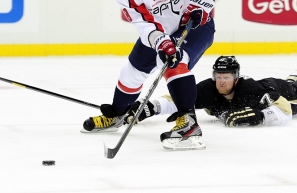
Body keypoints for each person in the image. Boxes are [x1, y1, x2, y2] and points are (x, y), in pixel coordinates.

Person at [82, 0, 233, 151]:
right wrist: (161, 41)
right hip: (158, 34)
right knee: (131, 71)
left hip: (195, 27)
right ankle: (118, 113)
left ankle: (189, 125)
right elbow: (145, 26)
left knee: (173, 60)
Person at [124, 56, 297, 127]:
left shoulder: (249, 89)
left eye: (226, 77)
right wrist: (151, 107)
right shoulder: (207, 89)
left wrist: (260, 117)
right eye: (218, 76)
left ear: (236, 78)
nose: (221, 82)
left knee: (292, 89)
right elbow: (177, 99)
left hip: (279, 87)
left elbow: (284, 109)